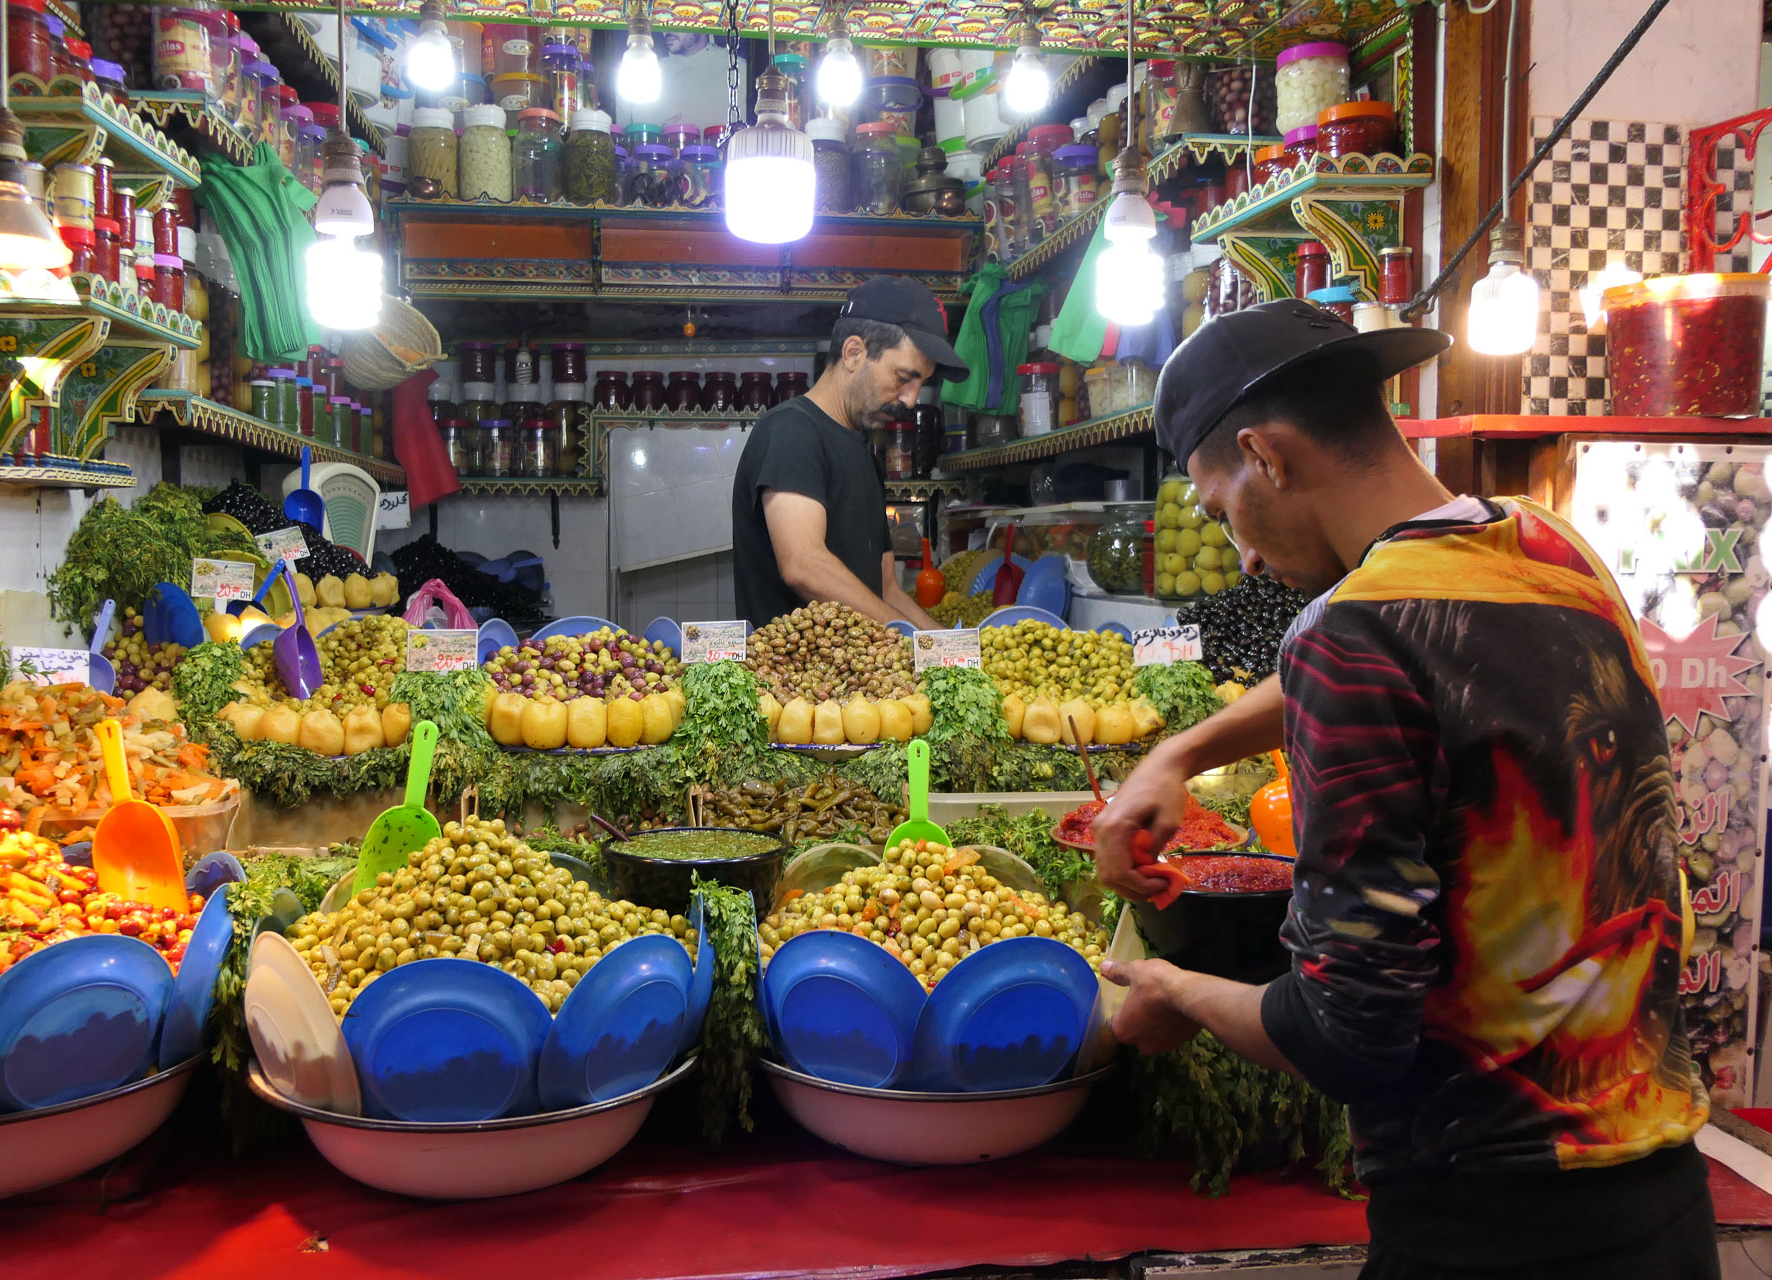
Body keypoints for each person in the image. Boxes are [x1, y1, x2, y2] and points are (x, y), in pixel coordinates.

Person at [1094, 298, 1717, 1279]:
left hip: (1486, 1228)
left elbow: (1348, 1035)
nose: (1243, 555)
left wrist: (1178, 990)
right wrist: (1182, 749)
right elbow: (1422, 641)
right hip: (1667, 1206)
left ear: (1265, 454)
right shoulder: (1554, 552)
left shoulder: (1348, 636)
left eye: (1222, 512)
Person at [732, 276, 966, 628]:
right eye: (904, 377)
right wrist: (902, 640)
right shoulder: (791, 431)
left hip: (860, 681)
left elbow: (885, 588)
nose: (912, 399)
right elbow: (803, 564)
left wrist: (952, 651)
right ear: (854, 352)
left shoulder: (863, 452)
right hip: (792, 679)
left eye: (921, 384)